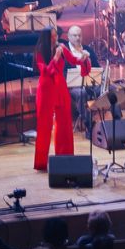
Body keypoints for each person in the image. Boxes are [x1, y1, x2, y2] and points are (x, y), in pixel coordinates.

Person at [33, 30, 84, 172]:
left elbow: (73, 60)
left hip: (60, 87)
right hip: (46, 88)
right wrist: (55, 58)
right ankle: (41, 163)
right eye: (52, 36)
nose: (56, 38)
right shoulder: (40, 52)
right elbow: (46, 72)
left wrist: (83, 58)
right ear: (46, 38)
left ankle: (64, 158)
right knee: (44, 125)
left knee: (64, 123)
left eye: (56, 35)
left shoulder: (61, 47)